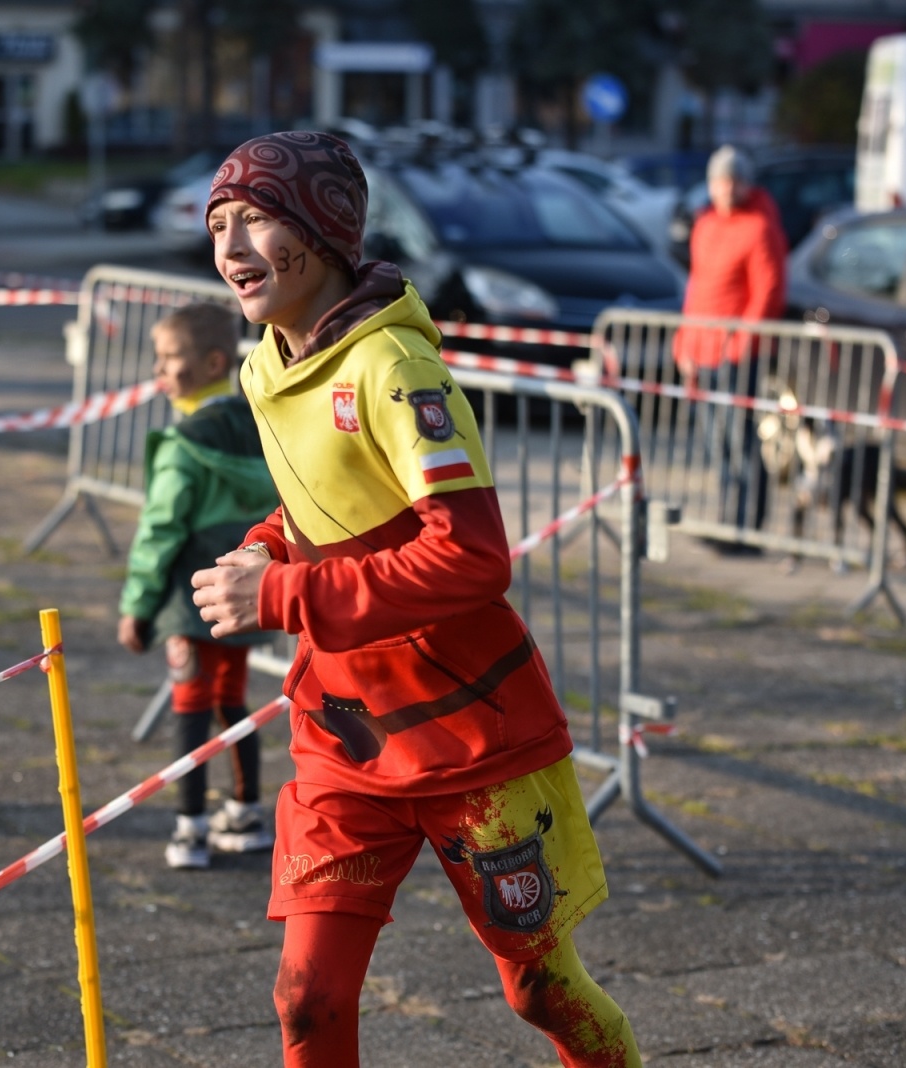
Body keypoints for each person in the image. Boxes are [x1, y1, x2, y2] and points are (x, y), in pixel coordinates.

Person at [189, 130, 642, 1068]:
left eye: (255, 221)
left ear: (317, 235)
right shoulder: (264, 363)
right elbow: (329, 502)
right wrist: (267, 544)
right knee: (305, 998)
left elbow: (471, 557)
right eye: (218, 224)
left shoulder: (396, 371)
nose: (230, 250)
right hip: (346, 732)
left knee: (539, 990)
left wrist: (284, 593)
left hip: (467, 730)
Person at [117, 302, 282, 869]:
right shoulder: (257, 426)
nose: (160, 371)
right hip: (242, 594)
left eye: (170, 358)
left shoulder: (184, 443)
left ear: (213, 360)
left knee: (190, 704)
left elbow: (159, 530)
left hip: (190, 600)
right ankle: (246, 812)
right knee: (233, 702)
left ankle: (190, 825)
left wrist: (137, 606)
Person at [674, 144, 787, 550]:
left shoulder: (759, 226)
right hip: (701, 349)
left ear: (743, 183)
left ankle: (748, 528)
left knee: (741, 442)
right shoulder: (705, 224)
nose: (724, 188)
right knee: (715, 443)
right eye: (718, 180)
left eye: (731, 180)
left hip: (737, 354)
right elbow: (697, 286)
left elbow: (768, 291)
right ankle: (725, 521)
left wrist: (743, 343)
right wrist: (683, 342)